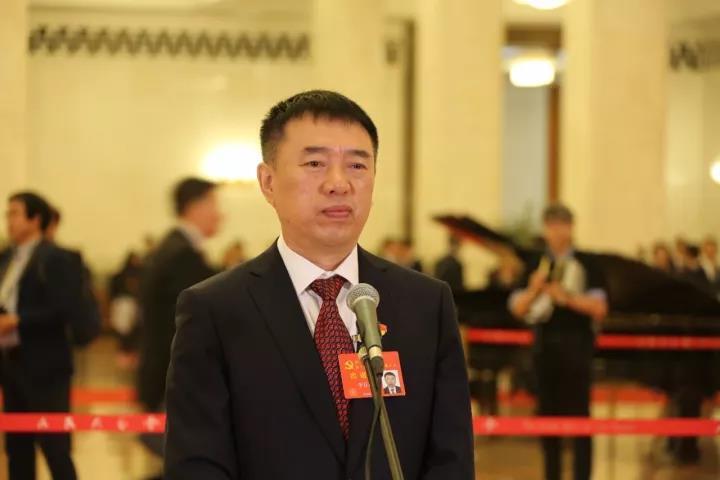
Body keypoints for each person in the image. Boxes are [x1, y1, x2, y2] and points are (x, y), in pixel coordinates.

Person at [164, 90, 474, 479]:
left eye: (357, 165)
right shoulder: (216, 310)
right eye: (315, 163)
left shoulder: (426, 304)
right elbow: (197, 465)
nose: (338, 184)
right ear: (268, 182)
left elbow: (451, 458)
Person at [509, 204, 608, 480]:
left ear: (571, 227)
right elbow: (517, 308)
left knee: (581, 420)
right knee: (547, 419)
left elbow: (600, 308)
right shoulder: (535, 264)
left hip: (578, 350)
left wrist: (566, 297)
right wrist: (535, 289)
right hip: (545, 351)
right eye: (551, 225)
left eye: (562, 224)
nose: (557, 231)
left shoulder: (589, 263)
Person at [137, 177, 221, 473]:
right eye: (214, 204)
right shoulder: (181, 255)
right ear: (194, 207)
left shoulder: (173, 247)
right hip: (172, 376)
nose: (220, 214)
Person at [0, 192, 78, 480]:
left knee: (55, 448)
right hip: (11, 363)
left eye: (15, 213)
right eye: (7, 213)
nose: (8, 220)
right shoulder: (7, 257)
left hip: (46, 366)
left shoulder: (56, 257)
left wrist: (18, 320)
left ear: (35, 219)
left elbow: (65, 308)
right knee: (17, 448)